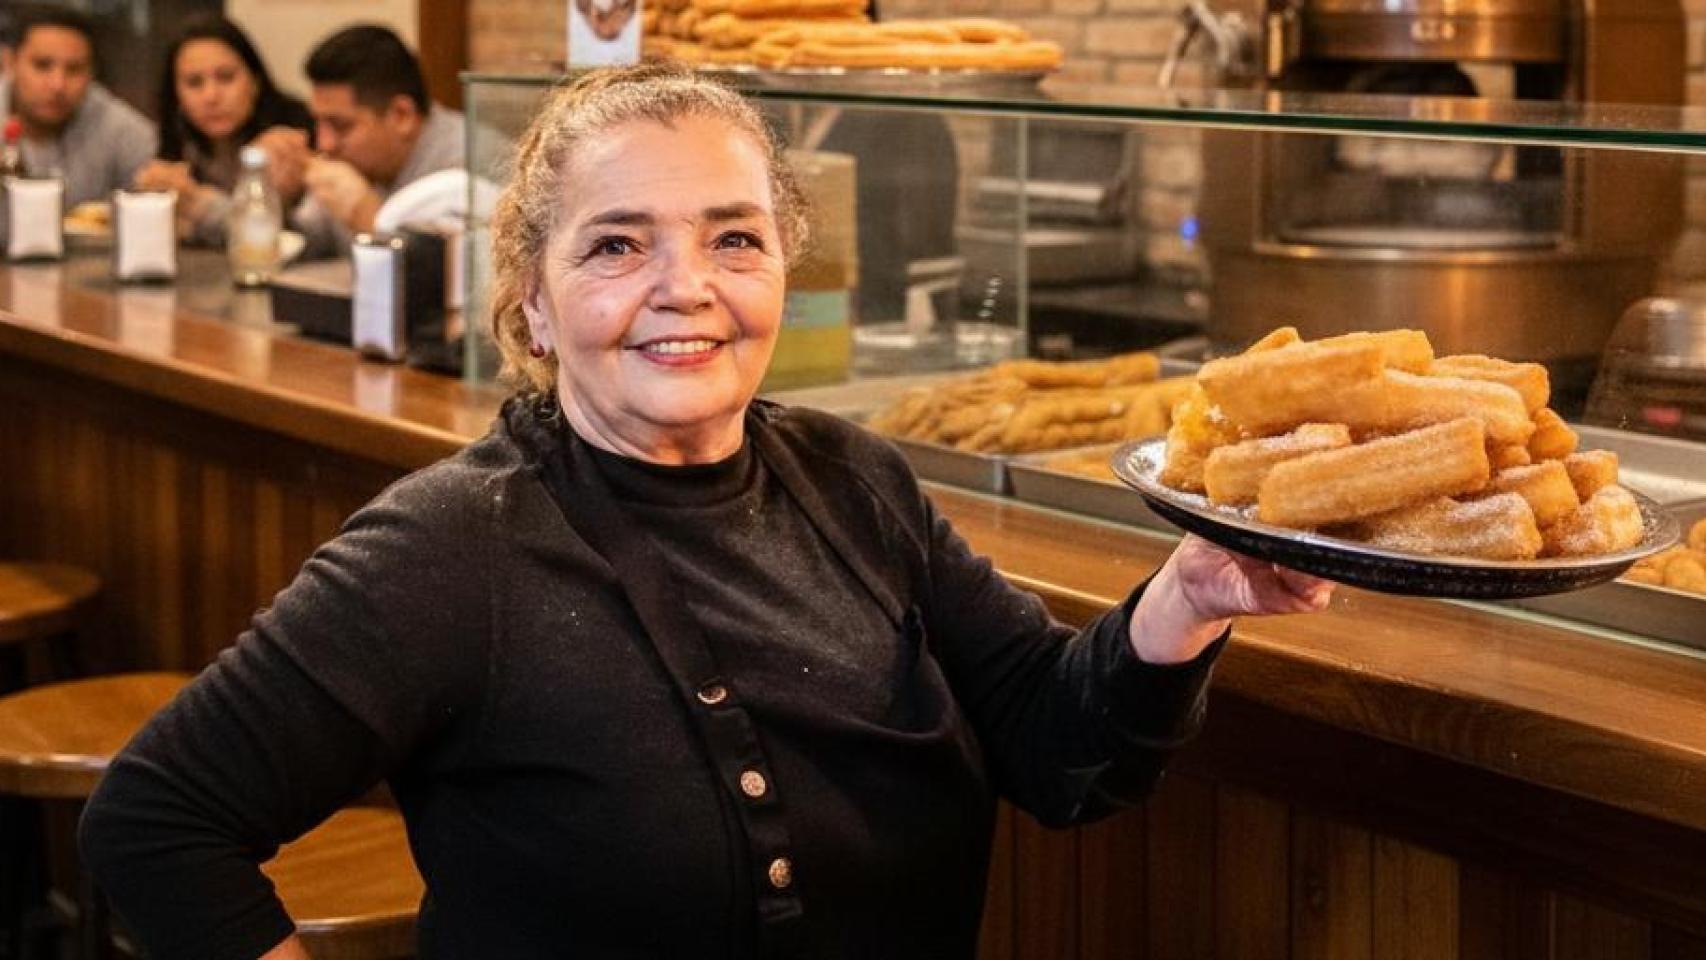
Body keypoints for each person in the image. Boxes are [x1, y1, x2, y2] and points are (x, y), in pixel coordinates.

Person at [79, 63, 1334, 959]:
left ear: (783, 267)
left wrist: (1186, 599)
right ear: (528, 302)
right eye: (617, 246)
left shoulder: (856, 480)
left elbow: (1060, 757)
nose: (686, 289)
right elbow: (155, 825)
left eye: (733, 240)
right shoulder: (446, 549)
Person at [280, 24, 465, 258]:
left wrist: (369, 217)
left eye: (340, 126)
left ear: (401, 116)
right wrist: (276, 200)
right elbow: (308, 246)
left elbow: (463, 281)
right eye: (318, 123)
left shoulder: (465, 165)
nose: (325, 144)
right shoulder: (351, 161)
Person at [131, 14, 313, 245]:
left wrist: (199, 206)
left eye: (226, 77)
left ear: (255, 82)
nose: (211, 96)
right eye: (194, 83)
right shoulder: (180, 142)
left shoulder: (291, 137)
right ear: (176, 96)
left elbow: (277, 241)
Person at [0, 4, 155, 209]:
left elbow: (154, 213)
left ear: (92, 72)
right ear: (10, 62)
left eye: (74, 69)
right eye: (42, 65)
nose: (58, 84)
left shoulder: (124, 132)